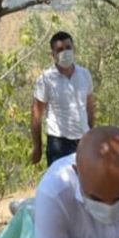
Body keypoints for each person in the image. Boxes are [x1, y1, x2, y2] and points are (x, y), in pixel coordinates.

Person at [30, 31, 95, 166]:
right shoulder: (45, 79)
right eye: (59, 50)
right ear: (53, 55)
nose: (65, 52)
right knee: (61, 186)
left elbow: (89, 108)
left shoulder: (85, 74)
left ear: (74, 49)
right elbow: (36, 114)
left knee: (85, 185)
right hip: (58, 145)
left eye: (68, 47)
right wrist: (37, 147)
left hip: (84, 142)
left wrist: (90, 135)